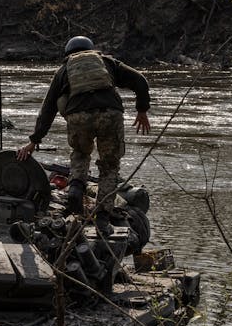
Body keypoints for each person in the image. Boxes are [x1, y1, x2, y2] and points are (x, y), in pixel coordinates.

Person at [16, 36, 151, 216]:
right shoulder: (107, 63)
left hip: (78, 117)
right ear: (91, 49)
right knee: (109, 165)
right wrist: (142, 110)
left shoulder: (63, 70)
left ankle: (75, 191)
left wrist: (34, 140)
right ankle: (103, 215)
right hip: (110, 114)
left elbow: (48, 108)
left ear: (68, 54)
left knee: (80, 154)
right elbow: (140, 80)